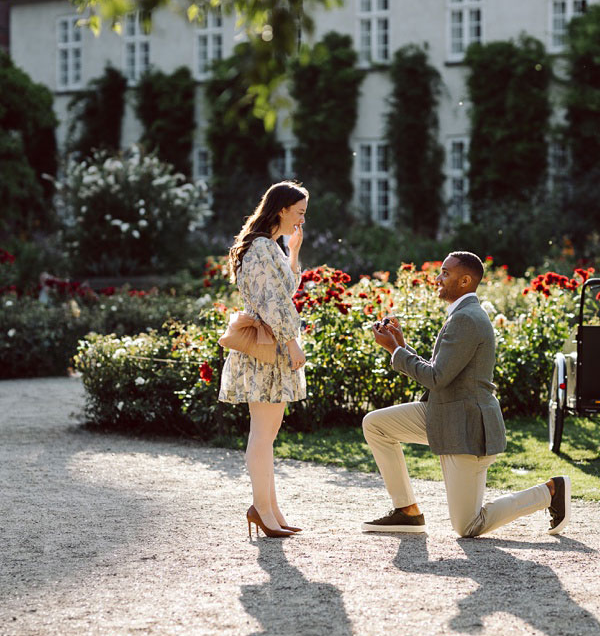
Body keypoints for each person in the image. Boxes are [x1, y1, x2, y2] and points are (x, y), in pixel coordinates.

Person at [360, 251, 570, 538]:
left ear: (465, 280)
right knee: (376, 424)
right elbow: (441, 371)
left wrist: (395, 352)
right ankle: (407, 511)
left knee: (467, 525)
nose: (437, 278)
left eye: (445, 273)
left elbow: (436, 377)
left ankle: (550, 491)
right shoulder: (463, 314)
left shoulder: (467, 319)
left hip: (465, 426)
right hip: (444, 412)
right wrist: (401, 345)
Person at [220, 181, 310, 540]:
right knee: (262, 434)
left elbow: (284, 288)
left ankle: (270, 509)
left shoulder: (268, 246)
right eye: (299, 211)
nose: (302, 219)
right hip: (267, 349)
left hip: (272, 347)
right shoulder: (259, 247)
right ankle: (262, 509)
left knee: (267, 435)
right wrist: (291, 343)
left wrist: (293, 252)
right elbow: (273, 301)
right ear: (281, 209)